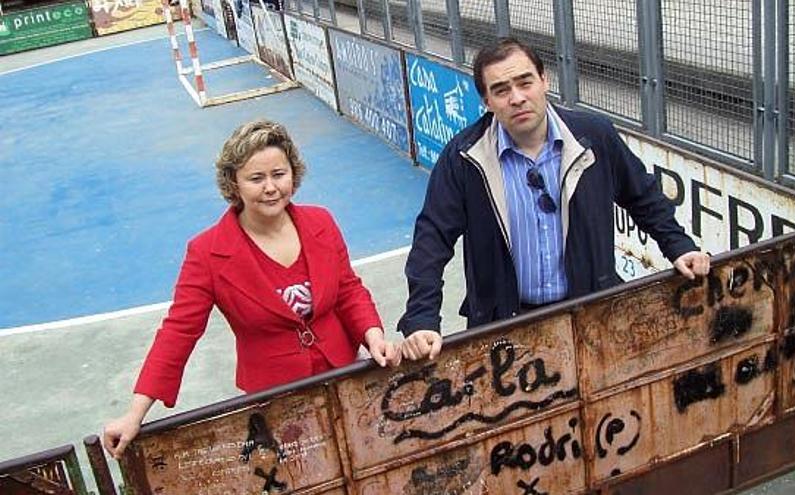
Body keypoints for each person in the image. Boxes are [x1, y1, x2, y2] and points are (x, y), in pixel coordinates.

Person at [398, 38, 710, 361]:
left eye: (525, 82)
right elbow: (432, 238)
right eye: (502, 90)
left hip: (592, 317)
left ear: (544, 81)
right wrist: (422, 318)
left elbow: (643, 196)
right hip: (504, 329)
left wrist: (679, 246)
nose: (517, 98)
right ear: (486, 101)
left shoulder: (595, 137)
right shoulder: (463, 157)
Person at [104, 119, 400, 458]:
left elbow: (348, 290)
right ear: (234, 183)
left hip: (346, 375)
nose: (271, 187)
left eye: (279, 174)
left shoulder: (322, 222)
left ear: (294, 173)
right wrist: (135, 413)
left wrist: (374, 337)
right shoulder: (207, 253)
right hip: (276, 399)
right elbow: (178, 333)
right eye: (256, 178)